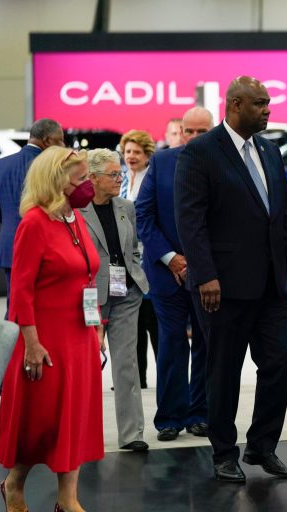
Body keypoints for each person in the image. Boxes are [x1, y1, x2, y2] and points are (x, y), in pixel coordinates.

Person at [175, 76, 287, 483]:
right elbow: (190, 220)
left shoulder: (269, 150)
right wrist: (206, 275)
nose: (268, 110)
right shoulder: (200, 152)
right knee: (224, 371)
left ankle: (263, 446)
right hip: (222, 287)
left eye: (268, 104)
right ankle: (224, 452)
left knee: (278, 363)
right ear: (235, 104)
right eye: (260, 104)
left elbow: (282, 215)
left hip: (272, 285)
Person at [0, 147, 104, 512]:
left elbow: (87, 277)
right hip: (43, 338)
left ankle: (67, 498)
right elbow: (20, 291)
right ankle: (13, 485)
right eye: (80, 177)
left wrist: (97, 325)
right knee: (40, 422)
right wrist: (31, 343)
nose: (87, 184)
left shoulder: (75, 219)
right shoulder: (34, 224)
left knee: (73, 419)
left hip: (79, 336)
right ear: (57, 181)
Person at [136, 107, 214, 442]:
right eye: (189, 131)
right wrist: (171, 259)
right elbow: (145, 213)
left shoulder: (224, 164)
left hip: (209, 275)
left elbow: (228, 224)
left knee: (207, 346)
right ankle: (169, 417)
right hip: (167, 274)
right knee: (170, 345)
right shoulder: (163, 163)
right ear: (180, 131)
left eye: (202, 131)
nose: (195, 137)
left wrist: (199, 264)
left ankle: (200, 414)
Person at [80, 148, 149, 452]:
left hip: (127, 292)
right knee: (85, 366)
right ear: (92, 178)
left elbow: (133, 246)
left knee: (126, 364)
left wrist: (134, 267)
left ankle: (132, 434)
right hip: (89, 295)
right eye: (113, 174)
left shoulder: (125, 206)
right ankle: (82, 433)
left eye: (120, 173)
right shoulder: (76, 211)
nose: (119, 178)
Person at [0, 118, 64, 302]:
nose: (63, 145)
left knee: (15, 307)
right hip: (46, 249)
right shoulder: (52, 168)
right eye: (60, 140)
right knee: (44, 309)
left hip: (10, 246)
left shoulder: (0, 165)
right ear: (47, 140)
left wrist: (9, 220)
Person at [118, 129, 159, 391]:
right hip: (125, 259)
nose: (131, 156)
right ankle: (138, 378)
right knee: (132, 326)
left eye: (136, 152)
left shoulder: (150, 179)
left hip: (148, 256)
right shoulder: (121, 179)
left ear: (147, 155)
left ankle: (165, 378)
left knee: (154, 323)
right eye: (128, 151)